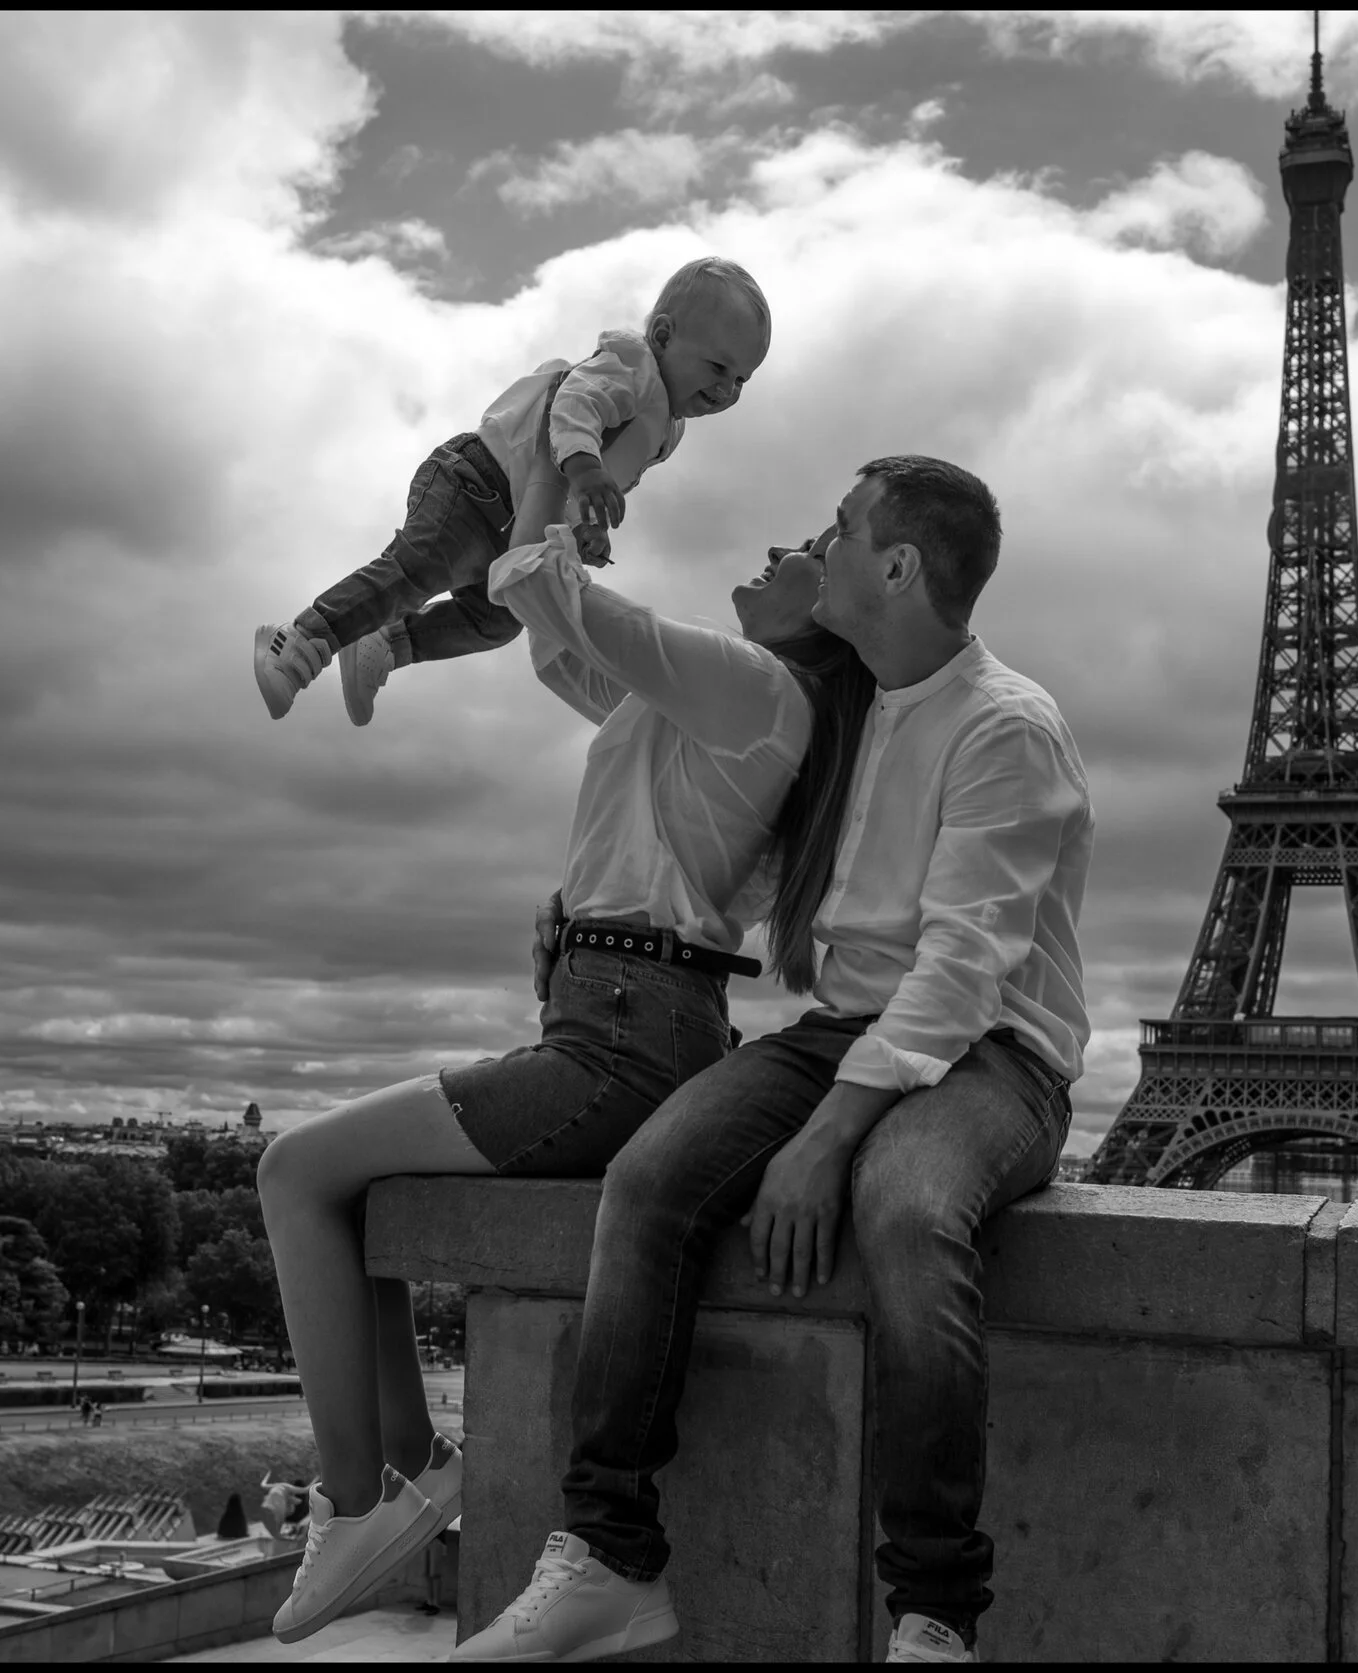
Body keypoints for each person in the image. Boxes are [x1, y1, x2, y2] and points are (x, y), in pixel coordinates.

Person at [453, 457, 1093, 1666]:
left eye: (839, 528)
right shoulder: (844, 716)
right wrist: (587, 904)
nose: (818, 541)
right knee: (645, 1184)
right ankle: (608, 1553)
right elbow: (717, 864)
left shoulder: (1005, 725)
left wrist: (822, 1135)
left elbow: (960, 974)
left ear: (896, 565)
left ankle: (935, 1612)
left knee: (904, 1209)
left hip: (996, 1051)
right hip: (846, 1030)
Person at [254, 508, 879, 1646]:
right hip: (626, 1018)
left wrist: (553, 472)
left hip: (619, 1038)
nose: (780, 550)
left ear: (825, 616)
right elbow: (555, 646)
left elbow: (551, 589)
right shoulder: (705, 703)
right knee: (332, 1180)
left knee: (296, 1169)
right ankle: (404, 1472)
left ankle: (362, 1498)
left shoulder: (760, 688)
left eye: (804, 549)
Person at [250, 257, 771, 726]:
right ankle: (298, 640)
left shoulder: (667, 429)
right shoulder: (632, 366)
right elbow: (574, 407)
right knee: (420, 566)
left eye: (742, 380)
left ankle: (388, 641)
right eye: (718, 367)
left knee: (497, 621)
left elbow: (600, 475)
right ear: (661, 335)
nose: (727, 389)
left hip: (511, 523)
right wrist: (586, 467)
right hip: (477, 483)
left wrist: (586, 527)